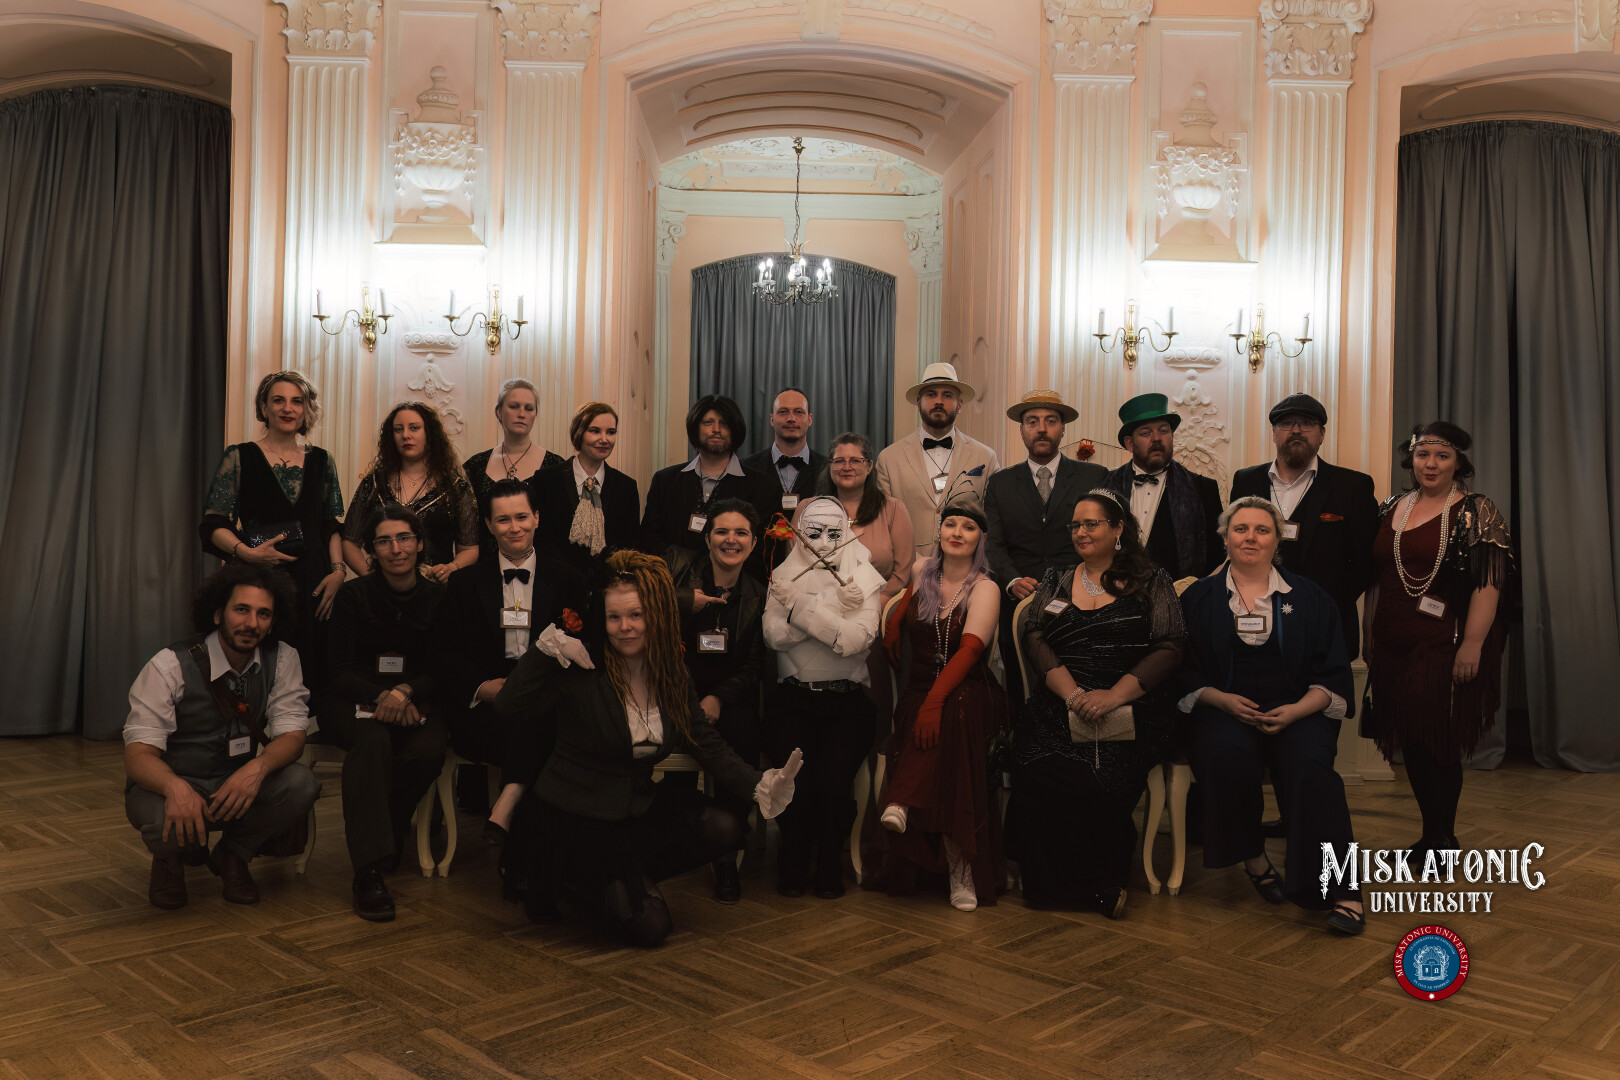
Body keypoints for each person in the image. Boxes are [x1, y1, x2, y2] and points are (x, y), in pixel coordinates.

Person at [494, 550, 801, 947]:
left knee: (724, 826)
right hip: (573, 822)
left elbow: (703, 739)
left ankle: (617, 880)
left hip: (631, 811)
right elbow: (508, 707)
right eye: (614, 617)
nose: (624, 627)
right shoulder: (581, 666)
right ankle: (572, 880)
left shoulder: (671, 672)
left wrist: (759, 784)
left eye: (635, 615)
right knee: (651, 927)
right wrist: (545, 650)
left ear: (655, 615)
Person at [1179, 497, 1365, 935]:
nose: (1251, 537)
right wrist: (1221, 700)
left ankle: (1342, 890)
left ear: (1277, 540)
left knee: (1312, 769)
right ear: (1225, 538)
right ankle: (1254, 858)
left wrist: (1297, 710)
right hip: (1224, 709)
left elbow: (1333, 671)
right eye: (1240, 529)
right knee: (1225, 756)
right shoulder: (1197, 598)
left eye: (1262, 530)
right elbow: (1181, 667)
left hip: (1297, 710)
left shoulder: (1311, 597)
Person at [1004, 489, 1187, 917]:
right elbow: (1034, 637)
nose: (1081, 532)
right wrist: (1072, 695)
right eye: (1075, 525)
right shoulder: (1057, 579)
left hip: (1131, 706)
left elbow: (1171, 646)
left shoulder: (1151, 580)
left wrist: (1114, 695)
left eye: (1091, 524)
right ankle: (1050, 885)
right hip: (1061, 702)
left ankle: (1102, 882)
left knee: (1095, 779)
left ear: (1118, 528)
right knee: (1038, 770)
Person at [123, 563, 320, 909]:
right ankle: (170, 861)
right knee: (161, 816)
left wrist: (257, 769)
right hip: (172, 782)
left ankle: (232, 855)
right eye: (241, 609)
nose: (251, 623)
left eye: (263, 614)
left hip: (234, 781)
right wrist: (174, 788)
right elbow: (138, 756)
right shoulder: (169, 665)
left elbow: (292, 734)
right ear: (218, 614)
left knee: (301, 783)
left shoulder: (283, 658)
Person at [1363, 422, 1511, 862]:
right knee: (1412, 739)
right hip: (1392, 642)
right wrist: (1369, 636)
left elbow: (1489, 582)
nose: (1431, 464)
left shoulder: (1476, 510)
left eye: (1442, 456)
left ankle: (1442, 841)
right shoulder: (1391, 506)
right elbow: (1378, 578)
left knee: (1436, 741)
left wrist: (1473, 644)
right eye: (1423, 455)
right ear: (1411, 459)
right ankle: (1431, 838)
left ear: (1458, 463)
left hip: (1443, 642)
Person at [435, 479, 588, 844]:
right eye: (503, 520)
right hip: (488, 711)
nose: (514, 527)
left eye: (522, 517)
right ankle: (530, 841)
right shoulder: (464, 583)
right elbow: (444, 652)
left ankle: (508, 812)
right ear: (489, 525)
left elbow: (584, 645)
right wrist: (481, 688)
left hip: (547, 701)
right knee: (538, 729)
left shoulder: (569, 579)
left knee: (542, 715)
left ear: (537, 518)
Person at [316, 505, 449, 921]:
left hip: (414, 699)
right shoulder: (352, 596)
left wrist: (405, 693)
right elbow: (337, 670)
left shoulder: (439, 599)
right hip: (349, 699)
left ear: (420, 543)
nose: (396, 548)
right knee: (373, 742)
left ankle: (387, 827)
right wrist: (383, 696)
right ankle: (368, 873)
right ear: (372, 550)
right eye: (384, 541)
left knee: (429, 749)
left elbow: (444, 667)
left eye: (404, 538)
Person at [873, 497, 1005, 911]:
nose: (957, 533)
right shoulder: (921, 570)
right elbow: (909, 596)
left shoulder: (985, 587)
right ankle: (953, 859)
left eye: (968, 527)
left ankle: (910, 808)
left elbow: (970, 651)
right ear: (940, 530)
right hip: (921, 686)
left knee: (952, 715)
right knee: (931, 714)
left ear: (981, 538)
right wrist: (896, 619)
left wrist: (933, 703)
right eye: (951, 524)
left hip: (972, 687)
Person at [763, 496, 887, 898]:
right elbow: (773, 636)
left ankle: (830, 856)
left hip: (847, 705)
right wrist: (832, 608)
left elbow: (854, 641)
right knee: (794, 782)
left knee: (834, 785)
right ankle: (794, 853)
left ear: (847, 532)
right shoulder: (784, 574)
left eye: (834, 533)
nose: (823, 543)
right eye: (813, 533)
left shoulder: (864, 576)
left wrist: (797, 605)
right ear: (799, 534)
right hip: (791, 700)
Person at [199, 371, 346, 688]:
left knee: (313, 671)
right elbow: (213, 523)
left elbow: (331, 525)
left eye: (297, 401)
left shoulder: (323, 460)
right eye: (278, 400)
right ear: (264, 408)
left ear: (306, 409)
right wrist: (247, 554)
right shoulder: (239, 456)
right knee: (259, 667)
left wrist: (338, 572)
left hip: (314, 582)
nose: (287, 408)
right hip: (257, 580)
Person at [664, 499, 769, 904]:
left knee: (743, 731)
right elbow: (646, 617)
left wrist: (719, 699)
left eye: (741, 533)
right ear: (707, 538)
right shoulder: (678, 571)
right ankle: (676, 839)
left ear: (754, 543)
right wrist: (684, 601)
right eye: (722, 531)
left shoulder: (759, 595)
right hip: (673, 690)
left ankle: (726, 855)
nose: (731, 540)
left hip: (727, 696)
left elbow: (754, 666)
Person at [1229, 393, 1377, 660]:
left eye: (1307, 423)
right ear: (1274, 434)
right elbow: (1234, 548)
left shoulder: (1354, 486)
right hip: (1255, 623)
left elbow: (1364, 562)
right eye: (1287, 423)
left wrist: (1325, 603)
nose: (1296, 430)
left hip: (1325, 627)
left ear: (1322, 434)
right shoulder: (1246, 480)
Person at [984, 389, 1107, 707]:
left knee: (1081, 684)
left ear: (1063, 429)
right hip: (1018, 600)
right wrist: (1012, 581)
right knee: (1019, 687)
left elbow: (1105, 538)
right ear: (1021, 429)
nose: (1041, 428)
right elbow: (994, 544)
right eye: (1033, 421)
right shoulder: (1000, 483)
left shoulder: (1093, 477)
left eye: (1051, 421)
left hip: (1083, 598)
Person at [815, 432, 914, 723]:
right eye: (839, 460)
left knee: (871, 704)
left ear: (869, 466)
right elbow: (797, 567)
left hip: (875, 619)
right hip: (820, 619)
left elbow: (903, 570)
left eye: (855, 460)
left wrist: (875, 605)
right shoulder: (810, 509)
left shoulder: (892, 509)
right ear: (829, 465)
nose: (847, 467)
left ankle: (876, 744)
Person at [342, 401, 478, 583]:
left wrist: (452, 568)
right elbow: (349, 541)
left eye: (414, 428)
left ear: (430, 434)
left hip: (435, 590)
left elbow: (470, 549)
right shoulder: (373, 483)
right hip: (382, 593)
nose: (405, 435)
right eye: (398, 430)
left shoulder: (455, 487)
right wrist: (371, 578)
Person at [876, 362, 1000, 557]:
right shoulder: (888, 459)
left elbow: (993, 524)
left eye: (947, 395)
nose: (939, 401)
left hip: (967, 567)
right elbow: (883, 524)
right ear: (919, 402)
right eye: (931, 395)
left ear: (960, 404)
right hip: (907, 567)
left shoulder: (986, 457)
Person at [640, 394, 771, 574]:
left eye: (724, 423)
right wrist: (683, 575)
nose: (716, 430)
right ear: (695, 428)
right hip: (673, 583)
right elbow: (650, 539)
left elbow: (763, 549)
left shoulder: (762, 486)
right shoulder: (665, 481)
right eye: (708, 422)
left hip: (736, 585)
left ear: (735, 429)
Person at [1101, 393, 1222, 580]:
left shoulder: (1203, 489)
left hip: (1179, 593)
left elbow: (1216, 555)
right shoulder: (1105, 485)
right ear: (1130, 444)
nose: (1157, 438)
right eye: (1146, 433)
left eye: (1164, 431)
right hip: (1114, 590)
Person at [530, 401, 641, 579]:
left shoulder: (626, 487)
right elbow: (540, 537)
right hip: (557, 581)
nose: (604, 439)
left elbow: (629, 545)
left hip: (609, 585)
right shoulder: (547, 480)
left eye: (611, 432)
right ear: (578, 433)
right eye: (595, 431)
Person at [462, 378, 567, 565]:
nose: (522, 414)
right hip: (485, 568)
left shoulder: (556, 466)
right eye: (514, 406)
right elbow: (466, 528)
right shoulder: (475, 466)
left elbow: (561, 530)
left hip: (542, 569)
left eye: (529, 408)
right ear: (499, 411)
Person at [743, 387, 827, 568]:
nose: (791, 418)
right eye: (783, 412)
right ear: (772, 419)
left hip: (814, 570)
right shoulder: (746, 469)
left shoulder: (828, 469)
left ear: (809, 419)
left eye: (798, 412)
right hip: (756, 571)